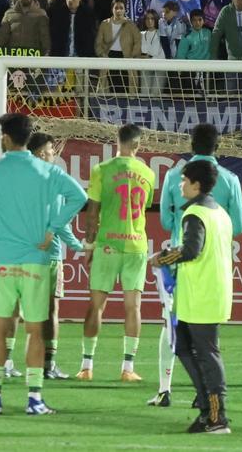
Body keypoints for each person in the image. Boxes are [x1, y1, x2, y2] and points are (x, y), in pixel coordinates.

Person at [0, 114, 86, 415]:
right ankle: (34, 399)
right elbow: (79, 196)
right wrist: (53, 228)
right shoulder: (48, 171)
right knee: (36, 330)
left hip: (2, 262)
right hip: (36, 262)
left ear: (6, 138)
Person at [150, 123, 242, 407]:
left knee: (176, 331)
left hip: (184, 265)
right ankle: (206, 397)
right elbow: (238, 226)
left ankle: (169, 390)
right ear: (219, 146)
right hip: (215, 266)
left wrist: (164, 257)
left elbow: (167, 222)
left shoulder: (173, 177)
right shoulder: (231, 180)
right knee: (203, 342)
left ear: (190, 144)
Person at [78, 124, 156, 383]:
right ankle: (127, 368)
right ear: (138, 145)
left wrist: (89, 246)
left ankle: (86, 366)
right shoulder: (148, 173)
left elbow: (92, 214)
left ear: (117, 141)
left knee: (96, 306)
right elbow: (145, 207)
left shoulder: (102, 170)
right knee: (133, 307)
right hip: (136, 245)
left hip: (108, 243)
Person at [26, 132, 84, 379]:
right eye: (51, 149)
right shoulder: (55, 179)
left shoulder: (20, 179)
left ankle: (13, 363)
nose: (54, 153)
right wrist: (78, 246)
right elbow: (60, 222)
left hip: (23, 254)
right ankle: (48, 365)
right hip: (49, 255)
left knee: (23, 309)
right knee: (51, 311)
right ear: (41, 152)